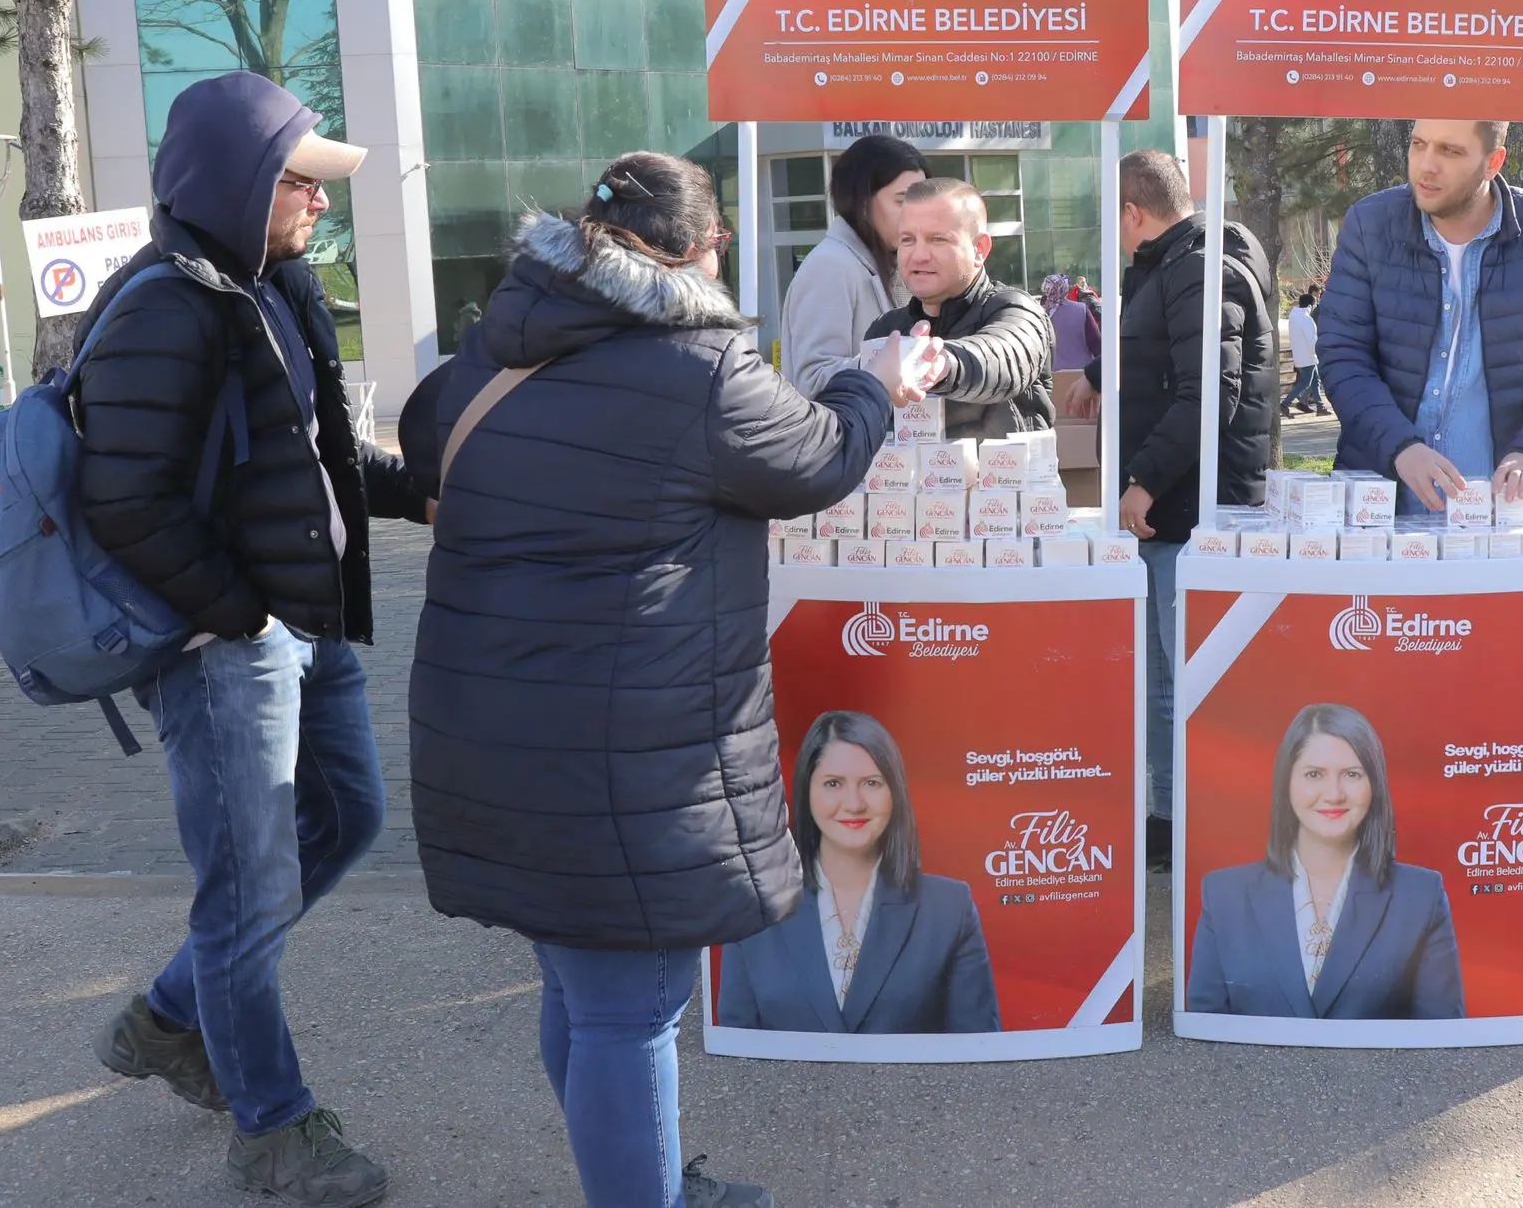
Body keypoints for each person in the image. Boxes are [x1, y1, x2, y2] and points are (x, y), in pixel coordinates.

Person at [409, 153, 942, 1208]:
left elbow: (428, 444)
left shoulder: (497, 340)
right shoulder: (698, 364)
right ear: (701, 249)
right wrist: (875, 383)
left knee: (578, 978)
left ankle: (643, 1180)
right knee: (627, 1007)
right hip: (628, 746)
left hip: (495, 725)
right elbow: (819, 457)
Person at [73, 70, 430, 1206]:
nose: (318, 202)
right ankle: (272, 1129)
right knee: (246, 887)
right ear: (234, 181)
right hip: (229, 647)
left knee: (350, 816)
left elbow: (313, 454)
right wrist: (235, 613)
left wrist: (418, 490)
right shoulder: (164, 303)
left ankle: (172, 1015)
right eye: (298, 181)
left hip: (296, 627)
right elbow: (121, 498)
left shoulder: (268, 283)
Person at [1065, 150, 1275, 869]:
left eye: (1113, 219)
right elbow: (1156, 345)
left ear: (1134, 212)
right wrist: (1099, 375)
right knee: (1161, 677)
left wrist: (1144, 481)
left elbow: (1207, 394)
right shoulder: (1169, 263)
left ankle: (1200, 826)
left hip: (1191, 511)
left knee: (1185, 679)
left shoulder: (1197, 267)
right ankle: (1167, 820)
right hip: (1175, 511)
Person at [1319, 120, 1523, 517]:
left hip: (1500, 512)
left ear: (1493, 162)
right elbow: (1342, 354)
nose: (1426, 165)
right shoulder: (1370, 225)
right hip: (1379, 507)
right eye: (1418, 145)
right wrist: (1400, 445)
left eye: (1450, 151)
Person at [717, 711, 1002, 1035]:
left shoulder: (951, 910)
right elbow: (736, 1054)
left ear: (895, 792)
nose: (853, 803)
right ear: (806, 791)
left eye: (871, 783)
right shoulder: (754, 906)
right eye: (833, 784)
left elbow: (979, 1059)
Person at [1187, 704, 1464, 1020]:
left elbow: (1440, 1038)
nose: (1333, 794)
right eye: (1314, 774)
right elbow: (1204, 1035)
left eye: (1352, 775)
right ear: (1286, 783)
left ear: (1374, 785)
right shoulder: (1224, 895)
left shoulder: (1421, 896)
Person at [866, 177, 1057, 439]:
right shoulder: (885, 331)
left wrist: (941, 364)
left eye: (938, 239)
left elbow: (1003, 355)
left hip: (1005, 479)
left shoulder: (1017, 310)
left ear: (980, 249)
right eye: (908, 240)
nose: (919, 255)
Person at [783, 134, 929, 396]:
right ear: (863, 203)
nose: (917, 212)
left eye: (921, 199)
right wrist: (888, 366)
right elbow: (812, 379)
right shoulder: (830, 266)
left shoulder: (893, 262)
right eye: (902, 200)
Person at [1040, 271, 1103, 372]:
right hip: (1081, 373)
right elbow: (1096, 345)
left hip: (1050, 375)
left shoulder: (1039, 313)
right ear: (1065, 289)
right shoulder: (1081, 309)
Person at [1284, 289, 1328, 418]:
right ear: (1310, 305)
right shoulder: (1306, 319)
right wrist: (1319, 352)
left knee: (1315, 381)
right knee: (1306, 382)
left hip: (1301, 354)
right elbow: (1312, 340)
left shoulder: (1295, 317)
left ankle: (1320, 407)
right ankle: (1285, 404)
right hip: (1308, 355)